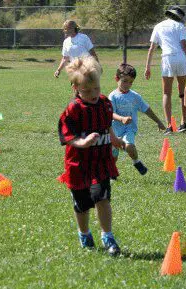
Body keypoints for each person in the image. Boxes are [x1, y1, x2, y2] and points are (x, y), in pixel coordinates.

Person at [57, 56, 126, 256]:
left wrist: (113, 138)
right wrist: (83, 142)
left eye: (96, 88)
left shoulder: (105, 103)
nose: (93, 94)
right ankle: (84, 233)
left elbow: (106, 124)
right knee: (82, 203)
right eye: (87, 91)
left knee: (102, 197)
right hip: (78, 163)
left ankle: (108, 236)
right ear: (75, 89)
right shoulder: (74, 109)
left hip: (101, 161)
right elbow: (68, 136)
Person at [144, 6, 186, 134]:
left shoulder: (158, 26)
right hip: (181, 58)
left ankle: (169, 126)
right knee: (183, 92)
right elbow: (184, 46)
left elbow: (151, 49)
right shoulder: (180, 26)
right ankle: (183, 123)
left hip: (167, 59)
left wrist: (147, 67)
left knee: (167, 93)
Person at [110, 64, 166, 174]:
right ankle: (112, 172)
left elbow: (146, 109)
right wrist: (121, 118)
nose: (127, 85)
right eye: (125, 81)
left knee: (129, 146)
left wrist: (158, 122)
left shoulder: (135, 96)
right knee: (113, 156)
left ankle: (136, 162)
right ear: (117, 79)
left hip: (129, 129)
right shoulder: (113, 96)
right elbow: (110, 113)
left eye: (130, 82)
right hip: (114, 131)